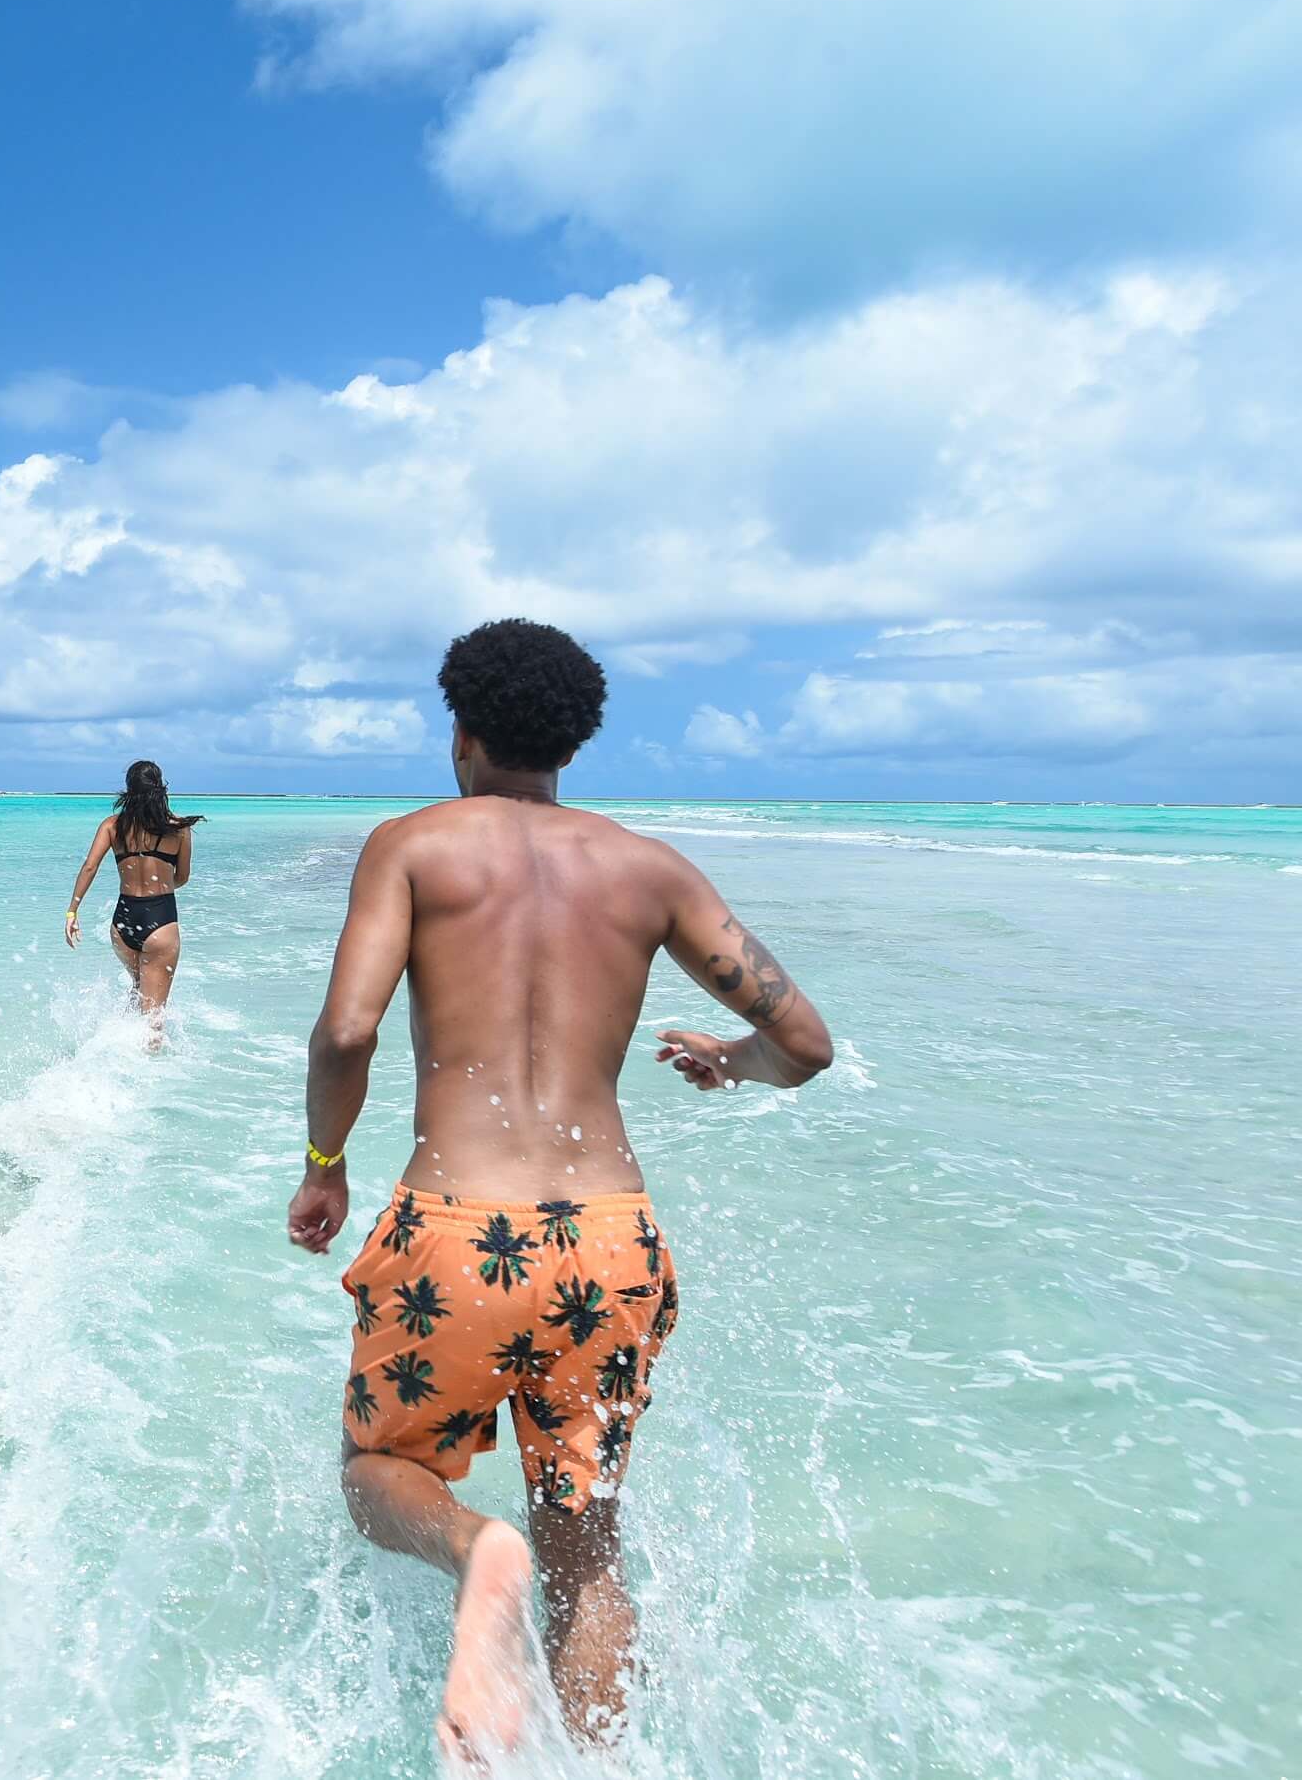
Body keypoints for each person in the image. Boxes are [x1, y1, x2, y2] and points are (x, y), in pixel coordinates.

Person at [284, 619, 832, 1762]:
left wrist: (324, 1165)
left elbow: (347, 1030)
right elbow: (803, 1041)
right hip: (610, 1245)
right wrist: (728, 1062)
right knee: (586, 1543)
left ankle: (476, 1548)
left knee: (380, 1471)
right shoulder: (649, 867)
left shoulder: (414, 845)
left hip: (454, 1235)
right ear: (573, 745)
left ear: (463, 732)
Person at [62, 760, 200, 1025]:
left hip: (122, 923)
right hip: (160, 919)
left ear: (128, 790)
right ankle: (147, 1062)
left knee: (139, 989)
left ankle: (118, 1048)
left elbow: (89, 867)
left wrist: (72, 911)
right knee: (154, 1019)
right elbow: (182, 878)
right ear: (160, 788)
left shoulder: (112, 826)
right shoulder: (179, 828)